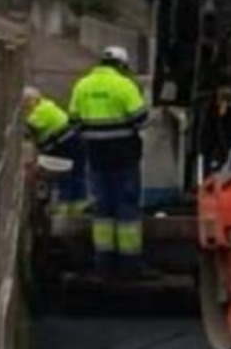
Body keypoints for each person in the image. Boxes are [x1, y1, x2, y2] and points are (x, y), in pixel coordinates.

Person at [70, 47, 152, 278]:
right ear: (122, 65)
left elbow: (74, 122)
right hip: (124, 155)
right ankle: (130, 264)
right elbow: (142, 119)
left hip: (96, 155)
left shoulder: (82, 85)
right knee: (126, 205)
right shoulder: (124, 85)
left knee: (102, 207)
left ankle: (103, 263)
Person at [22, 86, 86, 236]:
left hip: (68, 145)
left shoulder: (41, 112)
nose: (24, 106)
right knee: (73, 173)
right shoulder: (45, 105)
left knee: (69, 174)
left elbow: (30, 126)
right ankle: (73, 206)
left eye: (26, 102)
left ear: (35, 100)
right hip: (70, 143)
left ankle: (70, 208)